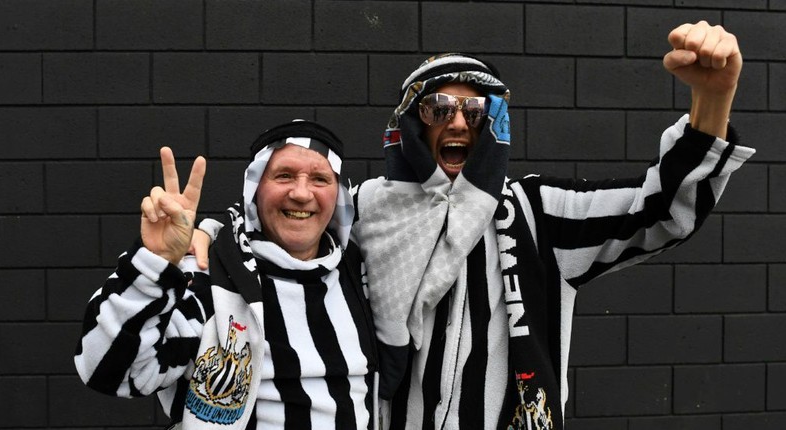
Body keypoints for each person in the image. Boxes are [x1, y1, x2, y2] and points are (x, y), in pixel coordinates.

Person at [191, 21, 754, 430]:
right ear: (413, 124)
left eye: (477, 110)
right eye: (438, 108)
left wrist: (713, 99)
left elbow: (656, 211)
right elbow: (282, 218)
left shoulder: (538, 212)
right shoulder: (365, 209)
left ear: (495, 124)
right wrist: (210, 236)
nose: (458, 120)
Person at [74, 120, 380, 430]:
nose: (301, 193)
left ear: (338, 194)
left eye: (319, 179)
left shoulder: (360, 273)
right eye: (284, 175)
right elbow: (107, 372)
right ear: (254, 190)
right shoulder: (207, 277)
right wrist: (154, 263)